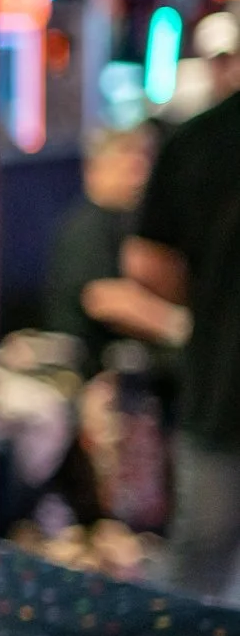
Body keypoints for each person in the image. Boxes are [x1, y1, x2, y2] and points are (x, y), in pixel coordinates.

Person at [129, 64, 240, 602]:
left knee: (198, 578)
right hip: (220, 389)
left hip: (221, 384)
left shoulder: (200, 139)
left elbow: (148, 262)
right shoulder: (200, 140)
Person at [49, 123, 186, 367]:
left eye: (145, 161)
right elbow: (104, 299)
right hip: (94, 369)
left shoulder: (126, 220)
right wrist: (180, 327)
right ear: (95, 169)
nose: (140, 174)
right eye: (128, 162)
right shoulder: (87, 227)